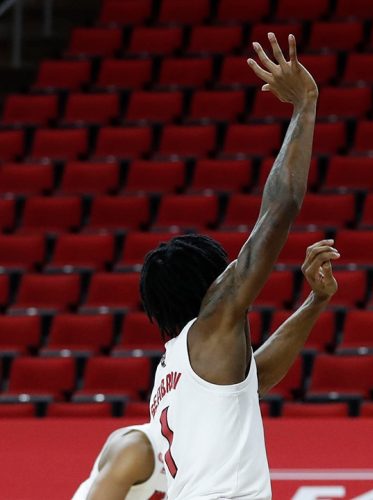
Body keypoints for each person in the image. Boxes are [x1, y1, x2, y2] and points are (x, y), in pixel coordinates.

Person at [138, 33, 319, 499]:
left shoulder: (171, 369)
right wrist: (305, 105)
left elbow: (259, 376)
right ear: (210, 284)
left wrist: (315, 302)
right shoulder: (213, 322)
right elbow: (280, 209)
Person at [74, 239, 339, 499]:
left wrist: (316, 300)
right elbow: (244, 277)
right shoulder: (136, 449)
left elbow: (258, 378)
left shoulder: (184, 381)